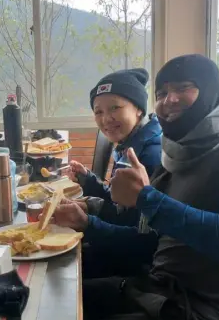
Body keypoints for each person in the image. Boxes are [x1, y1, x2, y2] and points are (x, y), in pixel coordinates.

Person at [53, 54, 219, 320]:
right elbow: (150, 243)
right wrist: (88, 224)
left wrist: (147, 199)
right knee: (47, 302)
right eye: (162, 93)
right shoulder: (181, 155)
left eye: (184, 87)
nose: (169, 99)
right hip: (157, 292)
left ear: (210, 91)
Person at [66, 68, 162, 278]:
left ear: (138, 109)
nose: (106, 119)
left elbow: (144, 239)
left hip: (138, 267)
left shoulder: (151, 155)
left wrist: (87, 223)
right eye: (98, 111)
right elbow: (120, 204)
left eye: (115, 108)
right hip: (121, 246)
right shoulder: (129, 143)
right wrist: (89, 181)